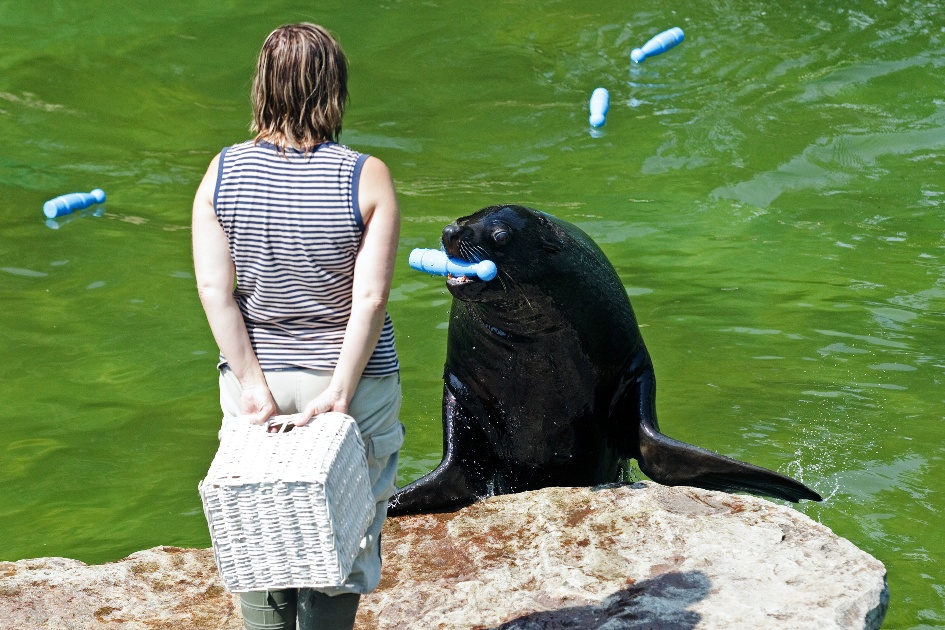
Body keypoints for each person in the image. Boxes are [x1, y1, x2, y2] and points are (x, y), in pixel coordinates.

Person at [192, 23, 403, 630]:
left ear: (261, 88)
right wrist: (338, 391)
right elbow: (370, 297)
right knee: (347, 535)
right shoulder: (366, 176)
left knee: (259, 531)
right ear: (334, 89)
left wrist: (252, 384)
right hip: (350, 383)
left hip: (259, 380)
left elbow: (215, 291)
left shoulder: (222, 173)